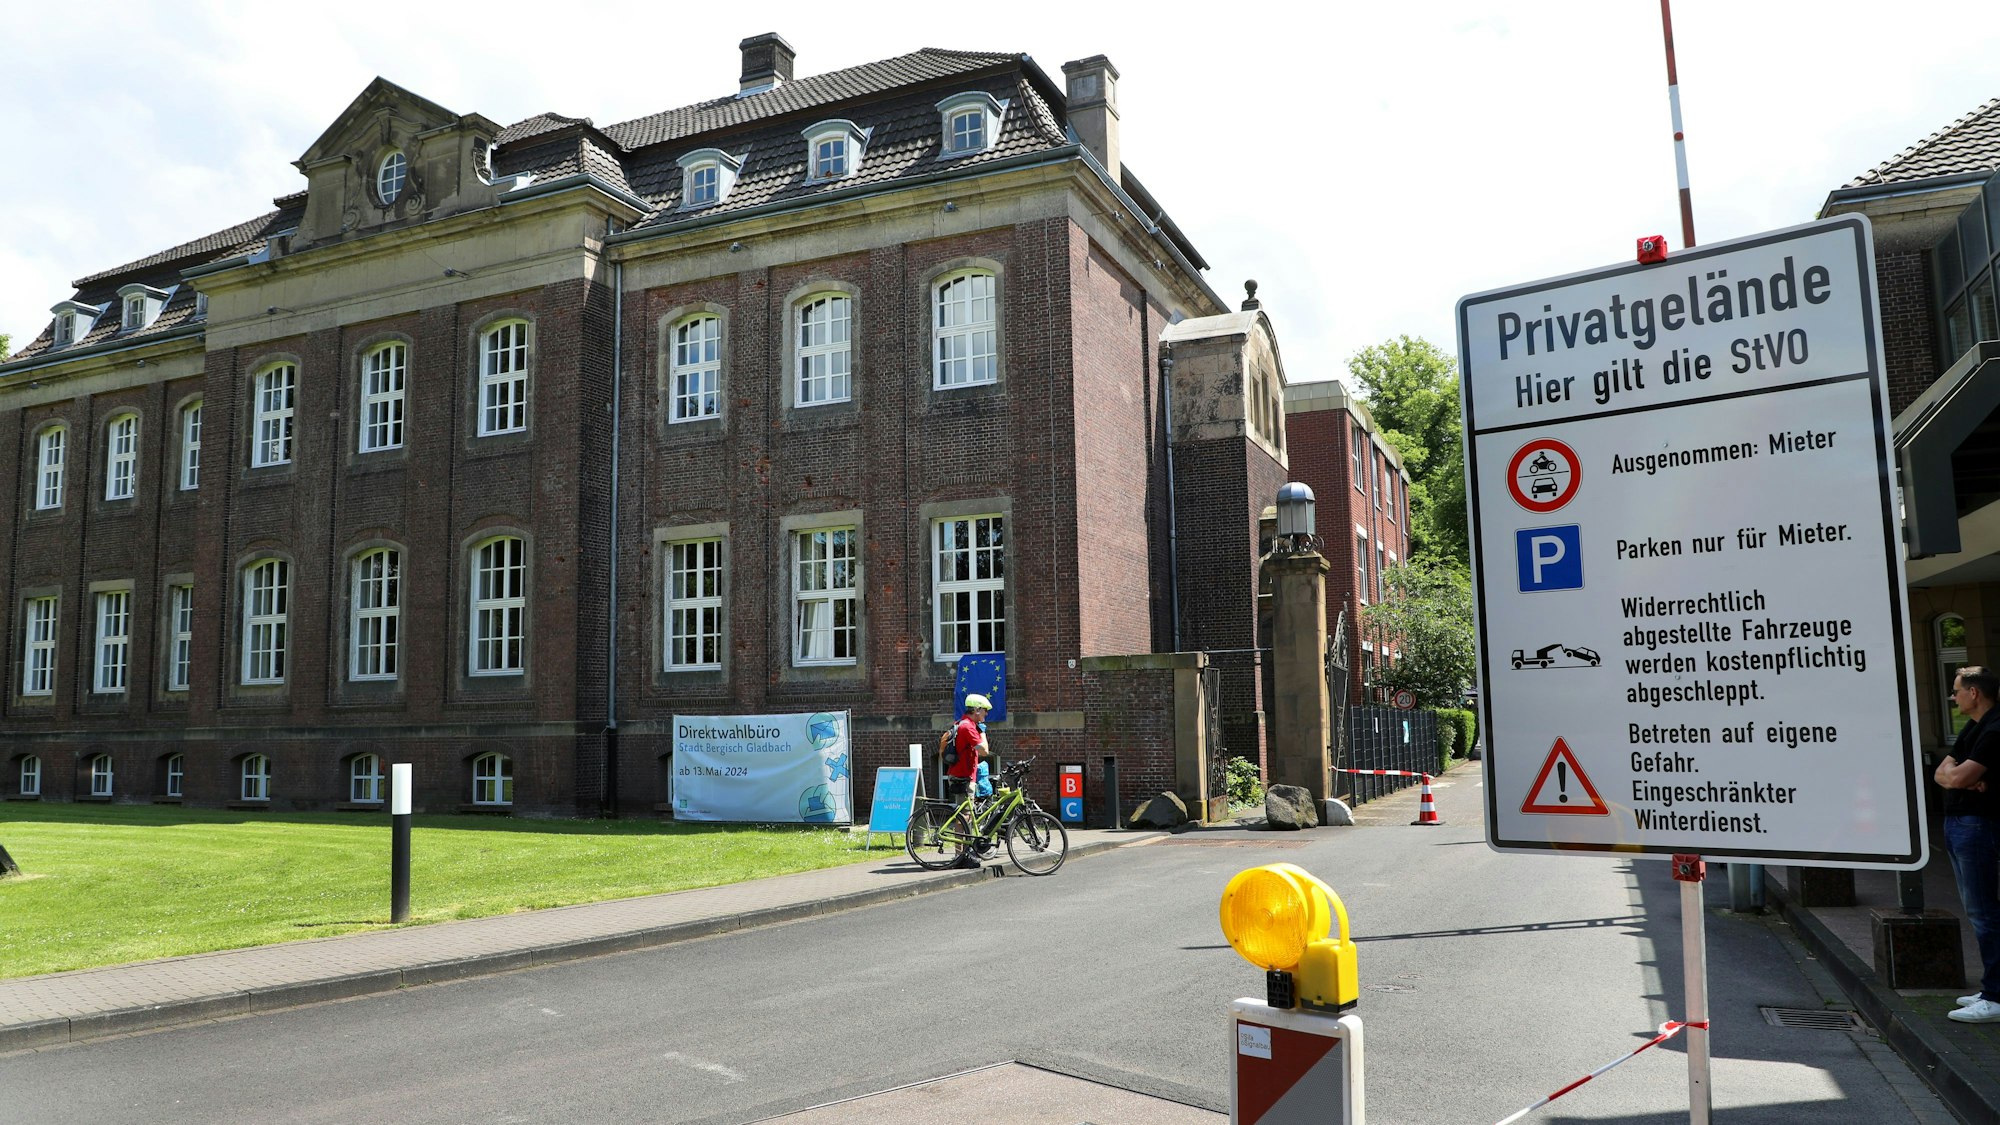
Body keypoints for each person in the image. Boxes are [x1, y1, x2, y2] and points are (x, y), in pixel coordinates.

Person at [1936, 666, 2000, 1023]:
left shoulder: (1994, 729)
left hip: (1977, 827)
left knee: (1984, 912)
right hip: (1960, 823)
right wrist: (1959, 779)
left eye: (1957, 690)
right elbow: (1942, 772)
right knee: (1978, 911)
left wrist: (1959, 778)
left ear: (1974, 693)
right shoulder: (1975, 726)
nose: (1953, 697)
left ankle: (1995, 996)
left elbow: (1955, 773)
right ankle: (1991, 986)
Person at [945, 694, 993, 867]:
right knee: (964, 817)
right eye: (985, 711)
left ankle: (965, 852)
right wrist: (983, 732)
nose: (986, 715)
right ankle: (960, 856)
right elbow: (984, 751)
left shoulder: (964, 724)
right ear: (977, 710)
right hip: (963, 777)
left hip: (966, 775)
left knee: (967, 816)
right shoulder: (968, 727)